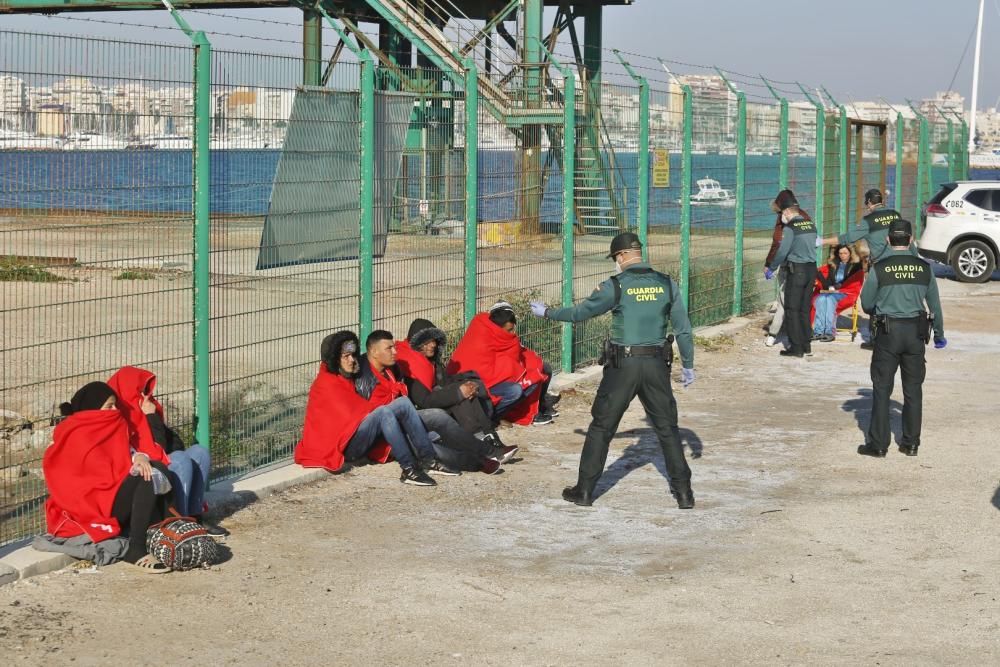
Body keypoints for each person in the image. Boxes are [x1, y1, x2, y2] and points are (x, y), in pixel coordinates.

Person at [529, 232, 697, 509]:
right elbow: (683, 328)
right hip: (657, 365)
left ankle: (584, 491)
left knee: (602, 428)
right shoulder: (667, 284)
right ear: (638, 253)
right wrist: (688, 365)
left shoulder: (616, 286)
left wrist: (548, 313)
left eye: (615, 258)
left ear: (620, 256)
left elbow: (581, 313)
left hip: (623, 366)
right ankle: (684, 494)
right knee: (667, 429)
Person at [43, 382, 172, 572]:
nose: (115, 410)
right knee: (146, 477)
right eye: (109, 406)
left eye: (115, 405)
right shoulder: (76, 435)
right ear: (93, 409)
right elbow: (70, 483)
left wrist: (139, 456)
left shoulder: (112, 427)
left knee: (155, 468)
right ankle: (135, 549)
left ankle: (171, 529)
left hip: (112, 496)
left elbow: (125, 454)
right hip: (91, 508)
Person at [295, 331, 439, 486]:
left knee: (403, 403)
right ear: (334, 359)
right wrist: (384, 410)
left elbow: (362, 408)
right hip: (344, 446)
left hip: (353, 436)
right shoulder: (326, 384)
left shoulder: (345, 377)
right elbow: (353, 413)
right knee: (383, 412)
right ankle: (409, 469)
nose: (352, 360)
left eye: (353, 355)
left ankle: (429, 460)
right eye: (346, 356)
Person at [857, 219, 946, 458]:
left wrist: (881, 307)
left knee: (882, 388)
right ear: (911, 239)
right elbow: (934, 305)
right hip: (915, 334)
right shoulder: (924, 268)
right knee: (913, 390)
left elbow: (866, 304)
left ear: (887, 239)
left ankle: (878, 445)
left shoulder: (880, 268)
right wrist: (939, 334)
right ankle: (911, 443)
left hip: (888, 333)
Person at [107, 366, 225, 537]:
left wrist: (152, 417)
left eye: (145, 391)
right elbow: (156, 448)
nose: (145, 397)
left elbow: (173, 442)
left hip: (157, 461)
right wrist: (150, 417)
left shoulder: (147, 409)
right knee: (179, 459)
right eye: (140, 391)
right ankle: (180, 523)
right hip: (139, 471)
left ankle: (195, 515)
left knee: (200, 452)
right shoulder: (120, 416)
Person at [395, 318, 518, 465]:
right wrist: (459, 393)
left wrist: (467, 385)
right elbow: (424, 401)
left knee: (465, 390)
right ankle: (484, 446)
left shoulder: (430, 361)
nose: (433, 345)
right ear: (416, 342)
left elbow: (444, 382)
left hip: (435, 407)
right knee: (460, 397)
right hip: (420, 417)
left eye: (434, 341)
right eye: (427, 342)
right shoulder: (410, 366)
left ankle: (491, 439)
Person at [353, 330, 466, 477]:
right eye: (389, 348)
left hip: (400, 422)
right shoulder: (363, 377)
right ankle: (471, 461)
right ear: (374, 351)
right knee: (435, 446)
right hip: (383, 435)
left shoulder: (391, 369)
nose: (395, 352)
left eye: (394, 347)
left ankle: (477, 449)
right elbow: (370, 416)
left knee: (438, 417)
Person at [447, 302, 555, 426]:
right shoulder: (481, 338)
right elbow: (484, 373)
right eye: (509, 330)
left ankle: (538, 408)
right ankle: (490, 417)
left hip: (494, 380)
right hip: (478, 386)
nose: (511, 334)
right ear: (497, 327)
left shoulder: (499, 335)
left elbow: (510, 358)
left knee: (542, 368)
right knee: (516, 390)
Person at [766, 203, 818, 358]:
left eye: (783, 214)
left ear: (788, 212)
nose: (782, 218)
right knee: (804, 309)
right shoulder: (811, 225)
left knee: (791, 309)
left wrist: (772, 266)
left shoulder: (791, 228)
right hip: (811, 270)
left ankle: (796, 348)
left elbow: (783, 250)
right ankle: (806, 345)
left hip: (797, 271)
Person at [764, 190, 808, 347]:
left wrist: (769, 264)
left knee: (784, 299)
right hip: (806, 265)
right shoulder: (805, 218)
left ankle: (775, 334)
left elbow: (778, 243)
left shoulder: (785, 220)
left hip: (788, 265)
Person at [810, 244, 864, 342]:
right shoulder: (834, 265)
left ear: (850, 254)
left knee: (829, 299)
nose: (843, 255)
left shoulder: (856, 265)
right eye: (840, 253)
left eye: (845, 253)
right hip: (833, 292)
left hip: (847, 293)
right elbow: (829, 282)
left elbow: (850, 281)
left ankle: (830, 332)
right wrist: (818, 275)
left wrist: (837, 287)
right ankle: (819, 331)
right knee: (821, 299)